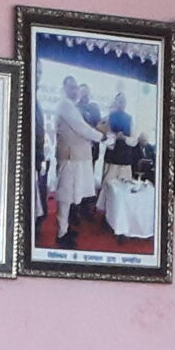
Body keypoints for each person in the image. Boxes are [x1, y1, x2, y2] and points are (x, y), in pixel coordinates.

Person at [51, 76, 106, 248]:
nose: (75, 91)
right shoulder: (65, 105)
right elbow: (82, 128)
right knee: (66, 196)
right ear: (64, 88)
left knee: (71, 195)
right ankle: (61, 235)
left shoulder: (69, 105)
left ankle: (65, 229)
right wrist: (102, 136)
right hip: (69, 158)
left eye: (76, 87)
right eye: (71, 87)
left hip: (75, 158)